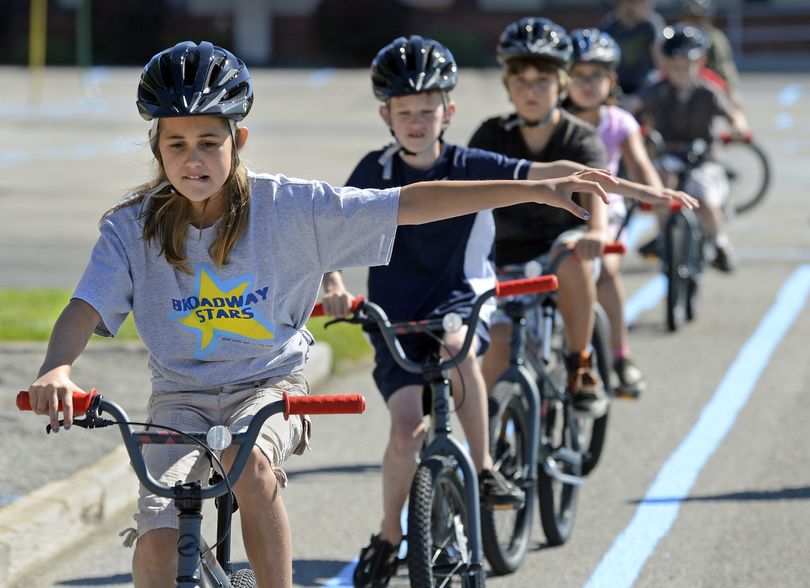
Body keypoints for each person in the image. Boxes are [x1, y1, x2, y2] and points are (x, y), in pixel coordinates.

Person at [25, 41, 614, 588]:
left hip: (268, 385)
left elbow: (411, 203)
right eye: (176, 143)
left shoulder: (290, 207)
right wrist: (58, 368)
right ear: (157, 148)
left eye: (210, 141)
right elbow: (86, 306)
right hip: (178, 396)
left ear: (240, 140)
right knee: (155, 540)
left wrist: (531, 188)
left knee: (248, 464)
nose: (193, 159)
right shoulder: (132, 226)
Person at [317, 35, 626, 588]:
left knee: (460, 351)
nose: (416, 121)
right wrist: (336, 285)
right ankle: (390, 535)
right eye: (404, 111)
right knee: (406, 431)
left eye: (428, 110)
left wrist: (572, 178)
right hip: (396, 318)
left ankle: (483, 469)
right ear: (385, 115)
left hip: (460, 302)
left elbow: (531, 171)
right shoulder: (373, 169)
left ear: (449, 112)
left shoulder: (468, 163)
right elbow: (330, 236)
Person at [469, 18, 695, 411]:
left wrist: (599, 231)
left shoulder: (580, 136)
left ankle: (581, 363)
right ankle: (483, 447)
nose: (530, 91)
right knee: (498, 348)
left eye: (542, 81)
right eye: (520, 81)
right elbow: (459, 192)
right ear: (508, 87)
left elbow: (598, 189)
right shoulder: (491, 134)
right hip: (504, 256)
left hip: (565, 244)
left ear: (559, 85)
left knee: (576, 255)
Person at [564, 27, 671, 398]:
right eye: (579, 75)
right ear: (565, 79)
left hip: (608, 207)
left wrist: (655, 192)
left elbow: (640, 164)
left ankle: (620, 356)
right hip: (559, 209)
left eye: (597, 76)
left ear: (611, 81)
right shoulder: (555, 119)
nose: (587, 84)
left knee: (606, 271)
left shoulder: (619, 122)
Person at [635, 23, 746, 272]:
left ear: (700, 63)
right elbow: (635, 105)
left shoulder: (709, 92)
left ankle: (720, 243)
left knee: (705, 199)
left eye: (686, 65)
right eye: (673, 66)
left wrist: (738, 125)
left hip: (704, 158)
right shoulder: (657, 90)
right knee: (662, 187)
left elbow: (732, 113)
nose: (680, 72)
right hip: (669, 156)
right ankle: (663, 237)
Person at [599, 0, 666, 96]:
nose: (649, 6)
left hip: (645, 85)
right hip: (617, 86)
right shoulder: (609, 26)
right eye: (643, 3)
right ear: (626, 4)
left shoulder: (651, 25)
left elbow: (661, 61)